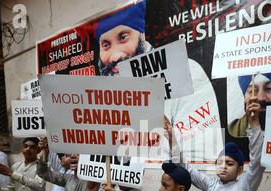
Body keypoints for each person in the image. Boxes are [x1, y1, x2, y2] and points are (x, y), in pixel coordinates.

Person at [96, 0, 223, 162]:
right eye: (105, 45)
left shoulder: (185, 71)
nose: (115, 55)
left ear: (141, 35)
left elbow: (201, 158)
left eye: (123, 38)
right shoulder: (111, 94)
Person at [229, 71, 271, 137]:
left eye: (269, 88)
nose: (261, 98)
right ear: (244, 97)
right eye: (252, 91)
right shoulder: (227, 131)